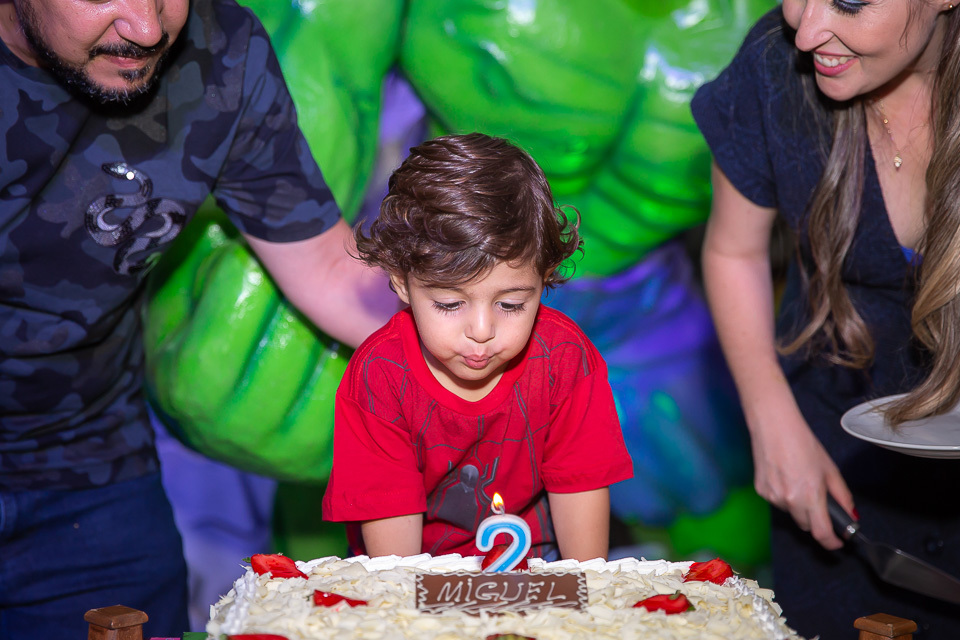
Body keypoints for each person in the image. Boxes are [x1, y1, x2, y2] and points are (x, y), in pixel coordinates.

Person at [0, 0, 397, 638]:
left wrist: (499, 344)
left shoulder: (223, 52)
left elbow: (327, 266)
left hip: (90, 468)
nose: (146, 28)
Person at [692, 1, 960, 637]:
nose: (806, 31)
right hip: (832, 467)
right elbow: (733, 251)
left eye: (849, 2)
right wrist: (771, 421)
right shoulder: (773, 65)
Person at [322, 133, 634, 560]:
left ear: (544, 277)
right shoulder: (381, 375)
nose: (483, 331)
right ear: (401, 281)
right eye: (450, 304)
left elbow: (581, 507)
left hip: (539, 569)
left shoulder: (564, 358)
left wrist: (582, 592)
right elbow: (395, 573)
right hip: (414, 578)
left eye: (511, 304)